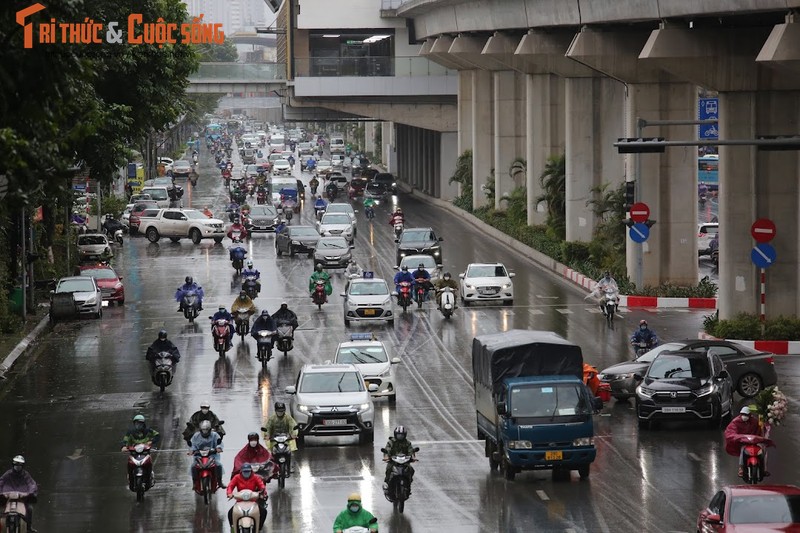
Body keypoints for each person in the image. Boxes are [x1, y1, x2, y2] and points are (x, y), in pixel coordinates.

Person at [724, 406, 768, 477]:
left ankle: (764, 468)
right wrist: (737, 437)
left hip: (754, 441)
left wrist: (762, 427)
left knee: (762, 450)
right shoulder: (736, 422)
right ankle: (741, 468)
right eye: (743, 414)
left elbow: (760, 429)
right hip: (743, 442)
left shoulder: (754, 421)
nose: (744, 416)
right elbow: (730, 431)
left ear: (750, 415)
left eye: (746, 415)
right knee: (742, 449)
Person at [0, 456, 39, 533]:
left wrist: (31, 492)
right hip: (8, 498)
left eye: (19, 466)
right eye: (16, 465)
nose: (17, 467)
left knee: (30, 509)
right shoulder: (8, 474)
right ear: (13, 465)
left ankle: (28, 527)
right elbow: (1, 482)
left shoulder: (26, 475)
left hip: (22, 498)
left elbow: (31, 484)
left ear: (22, 466)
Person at [227, 464, 268, 531]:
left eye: (248, 471)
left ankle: (258, 528)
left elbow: (261, 486)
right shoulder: (237, 477)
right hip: (240, 501)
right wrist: (229, 493)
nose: (246, 473)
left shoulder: (255, 477)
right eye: (244, 472)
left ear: (251, 471)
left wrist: (263, 493)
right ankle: (233, 528)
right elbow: (230, 486)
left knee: (264, 512)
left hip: (252, 500)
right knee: (230, 513)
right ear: (241, 472)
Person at [189, 420, 225, 489]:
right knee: (193, 466)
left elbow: (219, 443)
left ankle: (220, 482)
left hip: (212, 456)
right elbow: (192, 444)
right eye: (203, 430)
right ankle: (194, 483)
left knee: (219, 465)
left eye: (206, 430)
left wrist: (218, 448)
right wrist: (192, 451)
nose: (205, 431)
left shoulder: (214, 435)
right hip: (199, 456)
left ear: (209, 429)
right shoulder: (196, 436)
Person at [382, 426, 416, 490]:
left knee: (411, 470)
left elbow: (410, 450)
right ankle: (386, 483)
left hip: (404, 461)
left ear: (405, 435)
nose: (400, 436)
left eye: (402, 435)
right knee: (389, 468)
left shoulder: (407, 443)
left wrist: (413, 457)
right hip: (393, 461)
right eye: (399, 435)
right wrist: (387, 457)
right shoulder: (391, 442)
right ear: (395, 434)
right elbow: (387, 450)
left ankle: (408, 484)